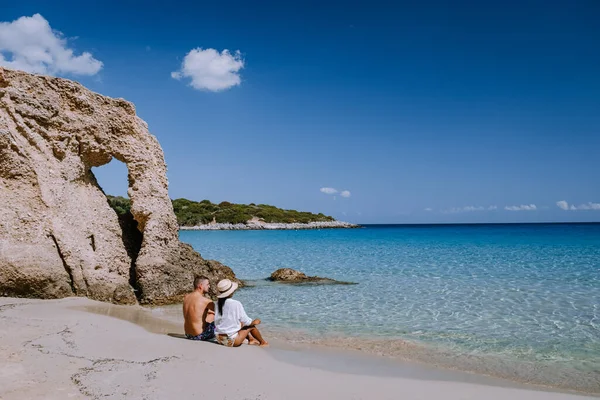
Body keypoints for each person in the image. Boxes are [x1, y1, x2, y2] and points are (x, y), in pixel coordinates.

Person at [214, 279, 268, 347]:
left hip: (219, 338)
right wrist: (255, 322)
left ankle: (251, 340)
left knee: (240, 324)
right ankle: (263, 342)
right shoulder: (236, 303)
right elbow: (247, 321)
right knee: (251, 327)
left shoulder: (217, 304)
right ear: (231, 292)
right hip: (231, 341)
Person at [182, 276, 216, 341]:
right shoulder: (206, 301)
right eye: (207, 284)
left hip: (188, 334)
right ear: (201, 286)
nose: (209, 286)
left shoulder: (186, 297)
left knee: (210, 314)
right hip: (200, 336)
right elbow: (220, 314)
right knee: (214, 317)